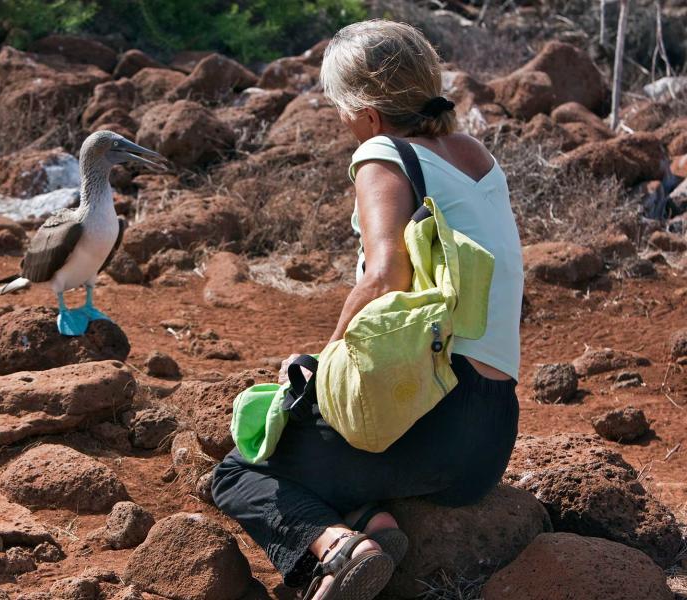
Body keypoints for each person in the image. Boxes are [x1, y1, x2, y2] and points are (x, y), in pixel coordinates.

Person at [212, 20, 524, 600]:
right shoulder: (474, 155)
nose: (339, 121)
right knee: (346, 446)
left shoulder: (382, 153)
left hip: (429, 414)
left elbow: (385, 275)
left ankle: (336, 548)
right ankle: (375, 525)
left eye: (341, 108)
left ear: (370, 115)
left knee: (239, 473)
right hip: (488, 442)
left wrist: (324, 365)